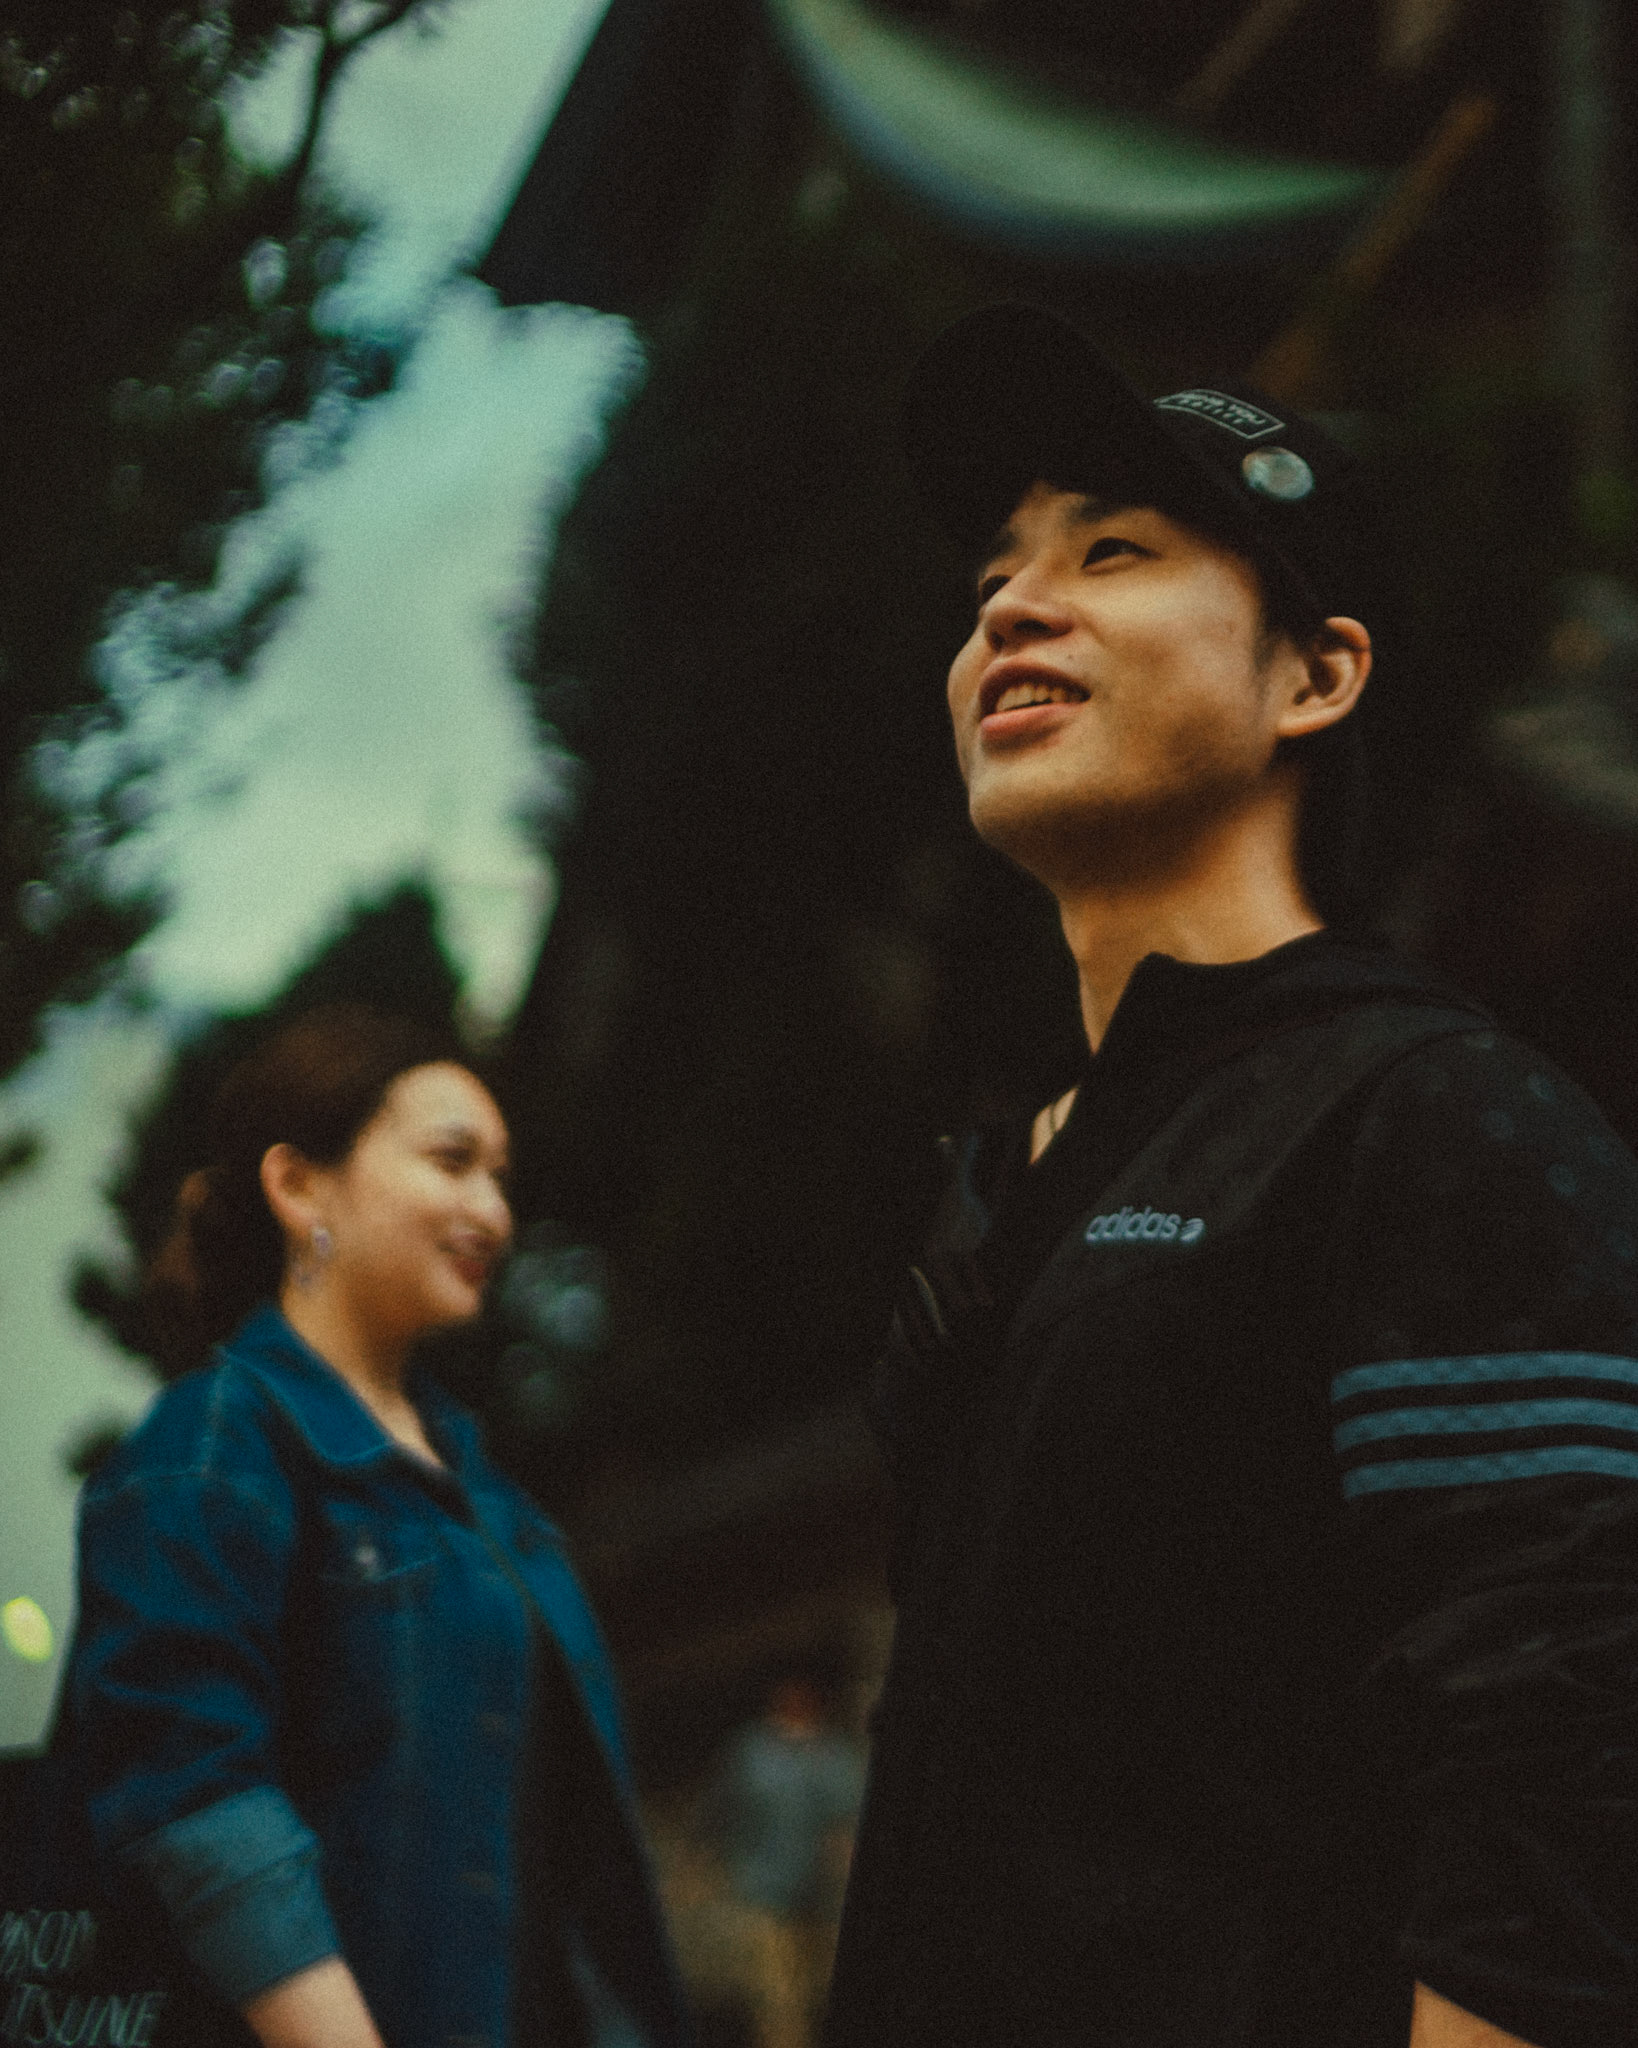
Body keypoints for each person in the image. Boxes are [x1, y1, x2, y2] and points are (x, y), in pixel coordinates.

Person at [821, 305, 1638, 2048]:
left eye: (1108, 552)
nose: (1008, 607)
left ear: (1311, 676)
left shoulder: (1430, 1116)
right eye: (992, 575)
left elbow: (1564, 1750)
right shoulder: (1000, 1193)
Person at [59, 1005, 693, 2048]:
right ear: (298, 1184)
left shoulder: (488, 1494)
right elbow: (194, 1800)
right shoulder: (214, 1445)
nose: (493, 1210)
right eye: (452, 1160)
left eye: (501, 1176)